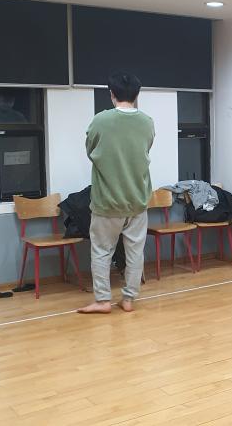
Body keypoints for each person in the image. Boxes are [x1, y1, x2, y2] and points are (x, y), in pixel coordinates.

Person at [78, 72, 155, 314]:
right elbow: (146, 148)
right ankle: (129, 299)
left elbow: (91, 150)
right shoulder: (147, 122)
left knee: (102, 251)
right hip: (137, 199)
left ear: (112, 94)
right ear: (137, 95)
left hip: (107, 201)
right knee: (135, 252)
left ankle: (102, 301)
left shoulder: (100, 120)